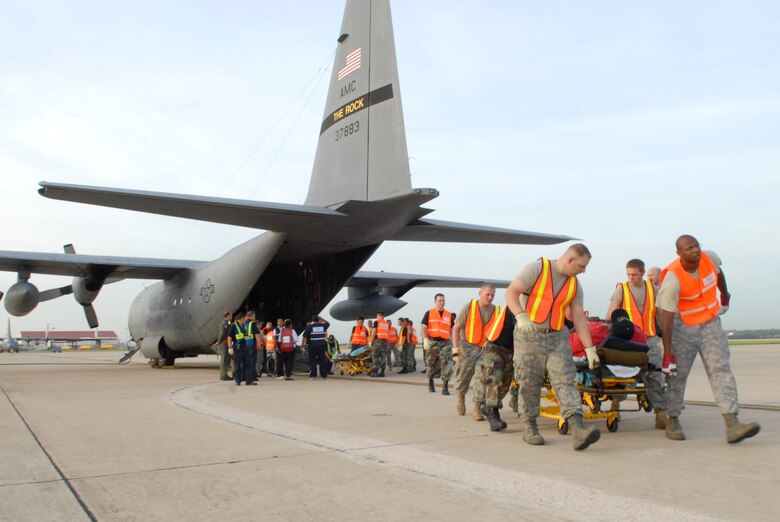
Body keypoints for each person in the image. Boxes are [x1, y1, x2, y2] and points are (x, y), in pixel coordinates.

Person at [657, 235, 760, 443]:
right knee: (677, 375)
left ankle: (732, 423)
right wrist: (668, 355)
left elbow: (719, 274)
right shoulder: (672, 279)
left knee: (721, 369)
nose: (696, 251)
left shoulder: (709, 258)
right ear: (679, 253)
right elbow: (665, 319)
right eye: (690, 248)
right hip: (681, 327)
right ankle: (673, 419)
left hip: (710, 323)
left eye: (697, 246)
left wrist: (725, 295)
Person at [505, 244, 601, 450]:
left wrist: (590, 348)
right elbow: (511, 293)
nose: (583, 271)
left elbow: (578, 318)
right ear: (569, 261)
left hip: (557, 337)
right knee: (529, 381)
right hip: (529, 335)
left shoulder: (575, 286)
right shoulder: (537, 269)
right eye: (582, 266)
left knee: (565, 380)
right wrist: (520, 316)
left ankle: (577, 429)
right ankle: (530, 426)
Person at [605, 258, 667, 428]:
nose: (631, 278)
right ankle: (615, 406)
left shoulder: (654, 290)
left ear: (642, 273)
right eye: (628, 274)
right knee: (624, 375)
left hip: (650, 339)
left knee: (655, 375)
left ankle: (660, 413)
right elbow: (610, 315)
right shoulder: (621, 290)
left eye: (634, 274)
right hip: (629, 342)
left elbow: (662, 314)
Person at [452, 284, 500, 421]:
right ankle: (460, 397)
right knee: (463, 376)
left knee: (483, 379)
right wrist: (455, 350)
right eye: (487, 294)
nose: (490, 297)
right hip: (467, 348)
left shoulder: (497, 310)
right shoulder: (469, 307)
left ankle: (476, 408)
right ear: (480, 293)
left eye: (492, 295)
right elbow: (456, 329)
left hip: (486, 349)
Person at [473, 306, 516, 432]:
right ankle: (493, 416)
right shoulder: (516, 306)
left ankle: (488, 406)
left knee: (506, 382)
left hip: (509, 350)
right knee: (494, 379)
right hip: (494, 346)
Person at [421, 293, 455, 394]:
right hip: (433, 342)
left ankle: (445, 387)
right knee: (431, 363)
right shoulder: (429, 313)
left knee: (447, 364)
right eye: (440, 300)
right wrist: (425, 339)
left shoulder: (448, 314)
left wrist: (454, 342)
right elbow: (423, 326)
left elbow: (452, 328)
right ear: (435, 301)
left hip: (446, 342)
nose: (442, 302)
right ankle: (430, 382)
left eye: (443, 300)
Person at [302, 315, 330, 379]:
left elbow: (304, 337)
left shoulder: (309, 327)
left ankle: (313, 375)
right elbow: (328, 323)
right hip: (321, 346)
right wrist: (322, 319)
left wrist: (302, 345)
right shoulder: (323, 326)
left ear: (312, 320)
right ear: (318, 320)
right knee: (322, 361)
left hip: (312, 346)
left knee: (312, 361)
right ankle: (323, 375)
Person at [228, 311, 252, 386]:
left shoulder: (244, 326)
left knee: (248, 363)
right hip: (238, 347)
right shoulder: (233, 326)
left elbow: (245, 336)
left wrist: (248, 339)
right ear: (240, 319)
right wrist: (230, 347)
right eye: (244, 319)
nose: (245, 320)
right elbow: (229, 337)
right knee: (237, 365)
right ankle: (238, 380)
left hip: (245, 347)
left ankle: (248, 380)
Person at [212, 311, 232, 381]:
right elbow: (222, 334)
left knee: (225, 359)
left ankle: (223, 375)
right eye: (230, 316)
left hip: (224, 343)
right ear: (227, 316)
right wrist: (219, 341)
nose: (231, 317)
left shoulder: (226, 323)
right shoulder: (225, 324)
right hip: (224, 343)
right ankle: (224, 375)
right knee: (225, 359)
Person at [244, 311, 262, 385]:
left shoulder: (244, 324)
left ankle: (249, 377)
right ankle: (250, 379)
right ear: (252, 316)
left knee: (247, 362)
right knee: (252, 362)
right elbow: (257, 334)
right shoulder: (252, 323)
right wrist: (260, 343)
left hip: (245, 345)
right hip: (252, 344)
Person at [370, 312, 389, 377]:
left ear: (379, 316)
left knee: (375, 355)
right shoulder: (386, 323)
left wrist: (371, 341)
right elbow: (387, 333)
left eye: (377, 316)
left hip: (378, 341)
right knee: (383, 356)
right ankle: (382, 372)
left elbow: (373, 331)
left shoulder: (377, 322)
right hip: (385, 341)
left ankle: (375, 372)